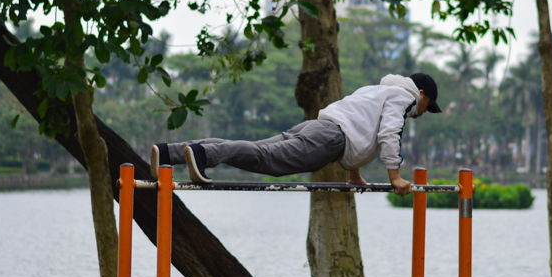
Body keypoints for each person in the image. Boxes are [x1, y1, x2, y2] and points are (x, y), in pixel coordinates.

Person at [150, 73, 442, 195]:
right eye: (428, 105)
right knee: (266, 159)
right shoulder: (404, 98)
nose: (423, 111)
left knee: (258, 149)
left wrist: (354, 175)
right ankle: (203, 155)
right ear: (421, 94)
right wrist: (395, 177)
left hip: (318, 127)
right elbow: (389, 133)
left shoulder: (378, 90)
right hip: (329, 139)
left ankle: (168, 153)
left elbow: (362, 127)